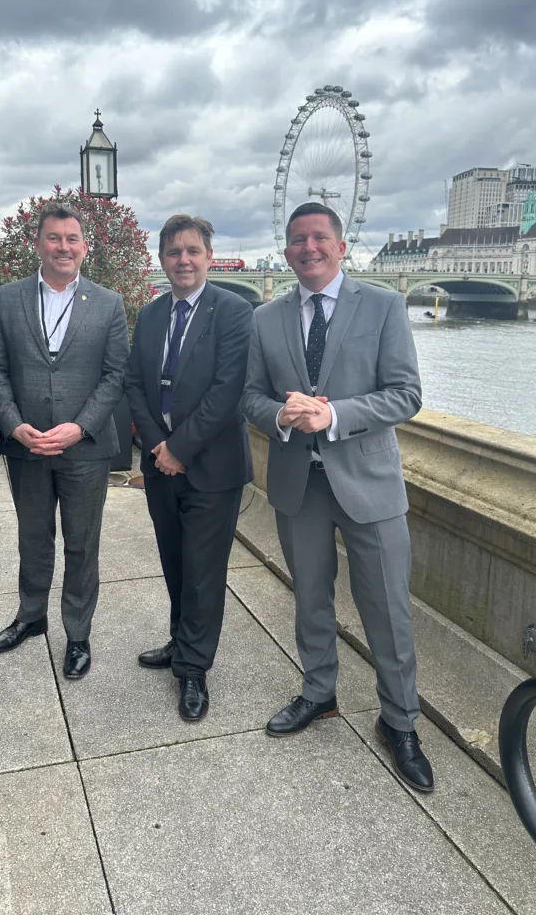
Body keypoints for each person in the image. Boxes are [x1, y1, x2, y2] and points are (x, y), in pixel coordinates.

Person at [242, 202, 434, 793]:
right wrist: (282, 415)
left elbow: (406, 395)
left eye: (319, 237)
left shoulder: (382, 306)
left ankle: (399, 721)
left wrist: (333, 414)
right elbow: (251, 397)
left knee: (387, 609)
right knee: (309, 600)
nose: (308, 248)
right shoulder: (266, 318)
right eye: (297, 239)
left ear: (341, 245)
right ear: (288, 248)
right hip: (300, 485)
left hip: (369, 484)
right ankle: (318, 692)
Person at [0, 203, 128, 678]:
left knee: (82, 544)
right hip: (26, 446)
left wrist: (80, 427)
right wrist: (13, 424)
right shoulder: (5, 299)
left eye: (72, 239)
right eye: (53, 238)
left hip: (84, 449)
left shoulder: (108, 303)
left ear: (85, 247)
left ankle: (78, 633)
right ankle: (31, 617)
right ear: (38, 243)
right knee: (33, 538)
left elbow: (114, 376)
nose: (63, 247)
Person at [125, 214, 253, 721]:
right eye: (174, 252)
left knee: (203, 571)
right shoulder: (153, 314)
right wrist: (158, 446)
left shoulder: (234, 312)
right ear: (161, 259)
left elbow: (227, 393)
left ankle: (194, 670)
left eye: (193, 251)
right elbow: (136, 384)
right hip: (161, 465)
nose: (183, 260)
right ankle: (181, 643)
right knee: (175, 562)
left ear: (208, 257)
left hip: (212, 467)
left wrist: (180, 448)